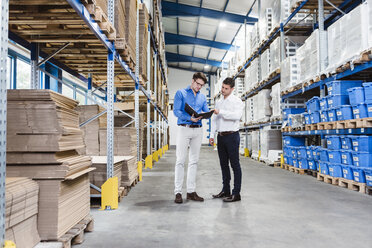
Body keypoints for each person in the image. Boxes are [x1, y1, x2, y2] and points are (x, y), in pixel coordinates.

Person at [173, 72, 209, 204]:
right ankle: (178, 192)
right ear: (192, 81)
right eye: (198, 84)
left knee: (194, 161)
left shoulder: (202, 97)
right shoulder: (180, 93)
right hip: (184, 128)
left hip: (198, 131)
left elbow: (205, 111)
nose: (199, 87)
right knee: (180, 160)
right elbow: (176, 111)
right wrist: (190, 118)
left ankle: (191, 192)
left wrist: (205, 114)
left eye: (202, 85)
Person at [210, 77, 244, 202]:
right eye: (222, 88)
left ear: (232, 89)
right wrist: (211, 135)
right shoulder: (219, 102)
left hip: (232, 136)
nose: (223, 90)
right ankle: (226, 190)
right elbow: (215, 119)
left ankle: (236, 193)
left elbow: (237, 116)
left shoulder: (237, 101)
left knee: (235, 165)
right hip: (221, 137)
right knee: (223, 164)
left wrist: (221, 112)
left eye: (226, 88)